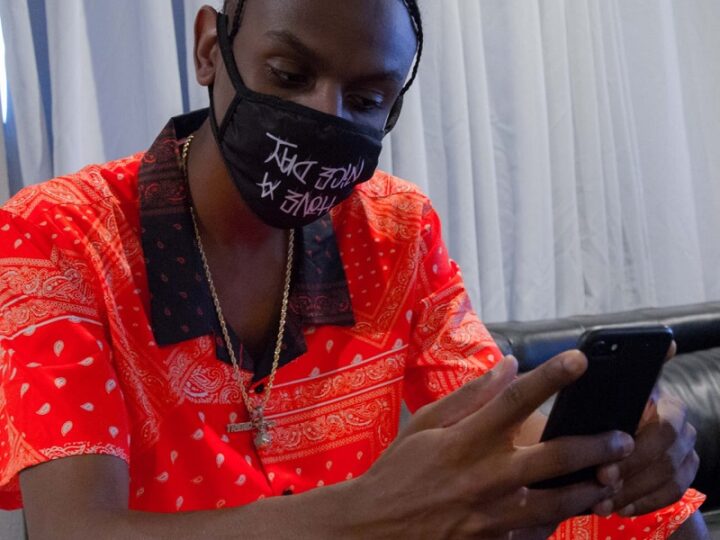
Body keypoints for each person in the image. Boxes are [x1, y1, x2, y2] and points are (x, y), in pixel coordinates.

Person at [0, 1, 708, 538]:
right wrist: (368, 514)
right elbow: (75, 528)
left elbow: (489, 418)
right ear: (211, 49)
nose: (324, 115)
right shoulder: (60, 234)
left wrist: (615, 448)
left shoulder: (395, 227)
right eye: (289, 75)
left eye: (366, 101)